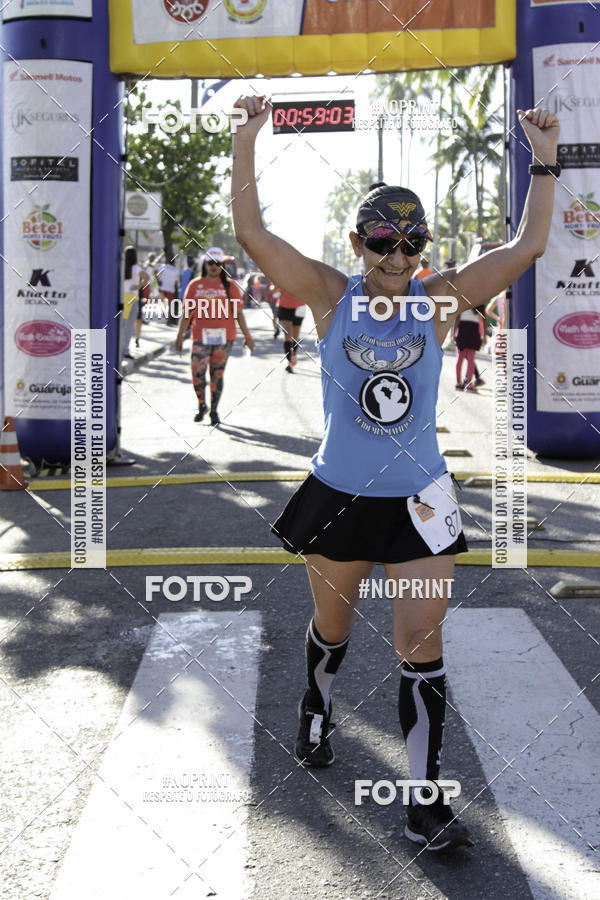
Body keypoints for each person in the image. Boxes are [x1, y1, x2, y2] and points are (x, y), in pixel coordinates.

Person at [232, 96, 559, 851]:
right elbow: (251, 235)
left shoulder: (440, 301)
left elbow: (529, 245)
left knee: (422, 646)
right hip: (341, 500)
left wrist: (544, 156)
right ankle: (316, 708)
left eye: (412, 243)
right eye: (383, 240)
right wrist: (249, 141)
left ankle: (421, 799)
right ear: (358, 242)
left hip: (421, 505)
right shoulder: (329, 295)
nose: (398, 258)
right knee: (333, 629)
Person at [174, 246, 255, 425]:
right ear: (205, 263)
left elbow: (239, 313)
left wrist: (247, 337)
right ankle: (202, 404)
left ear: (222, 265)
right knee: (197, 371)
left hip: (224, 338)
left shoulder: (230, 286)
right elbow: (186, 313)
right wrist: (180, 336)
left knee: (216, 374)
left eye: (218, 263)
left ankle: (214, 411)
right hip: (200, 337)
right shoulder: (195, 285)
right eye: (210, 262)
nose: (214, 266)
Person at [270, 283, 306, 369]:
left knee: (295, 337)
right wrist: (275, 286)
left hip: (299, 307)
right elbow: (272, 289)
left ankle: (293, 355)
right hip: (284, 307)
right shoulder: (282, 273)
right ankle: (290, 361)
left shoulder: (303, 273)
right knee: (288, 335)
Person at [122, 246, 149, 359]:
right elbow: (147, 277)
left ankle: (119, 348)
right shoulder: (136, 268)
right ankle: (126, 350)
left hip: (123, 296)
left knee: (122, 325)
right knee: (129, 325)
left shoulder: (122, 267)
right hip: (133, 297)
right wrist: (138, 286)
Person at [453, 305, 487, 392]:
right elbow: (484, 319)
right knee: (471, 359)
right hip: (474, 330)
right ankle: (467, 384)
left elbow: (457, 318)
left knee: (460, 358)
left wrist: (453, 334)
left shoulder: (463, 301)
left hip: (462, 328)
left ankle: (458, 383)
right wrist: (484, 335)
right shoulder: (480, 303)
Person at [157, 255, 180, 325]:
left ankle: (161, 316)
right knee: (170, 305)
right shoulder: (176, 270)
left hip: (163, 288)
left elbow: (156, 270)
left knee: (161, 302)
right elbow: (176, 281)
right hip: (171, 289)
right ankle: (169, 321)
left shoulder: (162, 267)